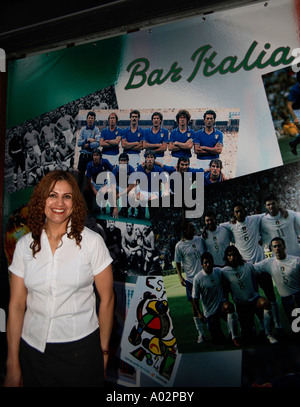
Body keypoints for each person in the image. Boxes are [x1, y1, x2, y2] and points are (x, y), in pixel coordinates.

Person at [4, 170, 114, 387]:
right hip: (31, 351)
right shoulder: (25, 245)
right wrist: (12, 362)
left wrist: (103, 351)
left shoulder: (92, 243)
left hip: (80, 353)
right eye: (53, 195)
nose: (59, 203)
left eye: (67, 196)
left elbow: (108, 300)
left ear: (75, 202)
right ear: (42, 199)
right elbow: (16, 305)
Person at [221, 245, 277, 345]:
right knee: (249, 336)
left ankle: (269, 334)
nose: (232, 257)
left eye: (234, 255)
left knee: (265, 303)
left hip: (254, 299)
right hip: (241, 304)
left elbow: (260, 270)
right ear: (226, 257)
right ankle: (236, 337)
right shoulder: (223, 271)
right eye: (229, 256)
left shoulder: (248, 266)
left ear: (238, 255)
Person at [192, 252, 240, 347]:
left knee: (229, 307)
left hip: (221, 306)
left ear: (213, 262)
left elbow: (229, 267)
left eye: (209, 262)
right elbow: (195, 297)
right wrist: (199, 313)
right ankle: (220, 333)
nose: (208, 265)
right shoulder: (198, 278)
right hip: (210, 312)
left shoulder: (219, 271)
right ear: (202, 264)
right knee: (219, 341)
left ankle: (234, 336)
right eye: (205, 263)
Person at [254, 237, 300, 327]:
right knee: (294, 325)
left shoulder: (296, 261)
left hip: (297, 296)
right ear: (271, 249)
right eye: (274, 246)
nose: (277, 248)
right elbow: (252, 268)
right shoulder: (268, 263)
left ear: (284, 246)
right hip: (285, 298)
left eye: (279, 246)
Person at [174, 221, 207, 343]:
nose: (192, 230)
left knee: (208, 304)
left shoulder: (200, 240)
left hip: (204, 276)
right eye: (190, 228)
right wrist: (180, 277)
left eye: (193, 228)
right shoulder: (179, 245)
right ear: (185, 230)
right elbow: (177, 262)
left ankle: (212, 327)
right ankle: (201, 334)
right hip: (190, 280)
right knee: (194, 307)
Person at [130, 150, 169, 218]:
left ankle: (153, 212)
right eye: (148, 157)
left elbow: (165, 182)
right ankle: (140, 210)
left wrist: (166, 191)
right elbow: (135, 180)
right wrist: (133, 190)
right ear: (145, 158)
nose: (150, 159)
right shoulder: (140, 167)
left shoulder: (158, 169)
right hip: (143, 191)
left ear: (154, 159)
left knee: (153, 215)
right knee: (133, 196)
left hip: (154, 193)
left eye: (151, 157)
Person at [107, 152, 136, 218]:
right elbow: (113, 186)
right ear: (119, 162)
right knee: (110, 192)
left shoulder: (131, 170)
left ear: (127, 162)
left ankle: (126, 209)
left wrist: (120, 194)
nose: (123, 162)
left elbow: (131, 186)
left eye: (124, 160)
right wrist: (115, 207)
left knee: (134, 194)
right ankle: (112, 208)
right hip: (118, 187)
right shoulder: (115, 170)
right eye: (121, 160)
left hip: (128, 188)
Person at [77, 111, 100, 189]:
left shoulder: (96, 130)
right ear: (87, 119)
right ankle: (78, 195)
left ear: (94, 120)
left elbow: (97, 143)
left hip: (91, 156)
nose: (90, 120)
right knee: (80, 176)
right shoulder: (83, 130)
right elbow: (79, 143)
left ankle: (92, 195)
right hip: (83, 155)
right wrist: (88, 139)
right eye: (89, 118)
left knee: (91, 178)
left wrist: (89, 145)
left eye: (92, 118)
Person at [287, 71, 300, 155]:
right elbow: (289, 105)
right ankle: (293, 143)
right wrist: (295, 117)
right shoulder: (294, 90)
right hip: (295, 112)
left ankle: (293, 143)